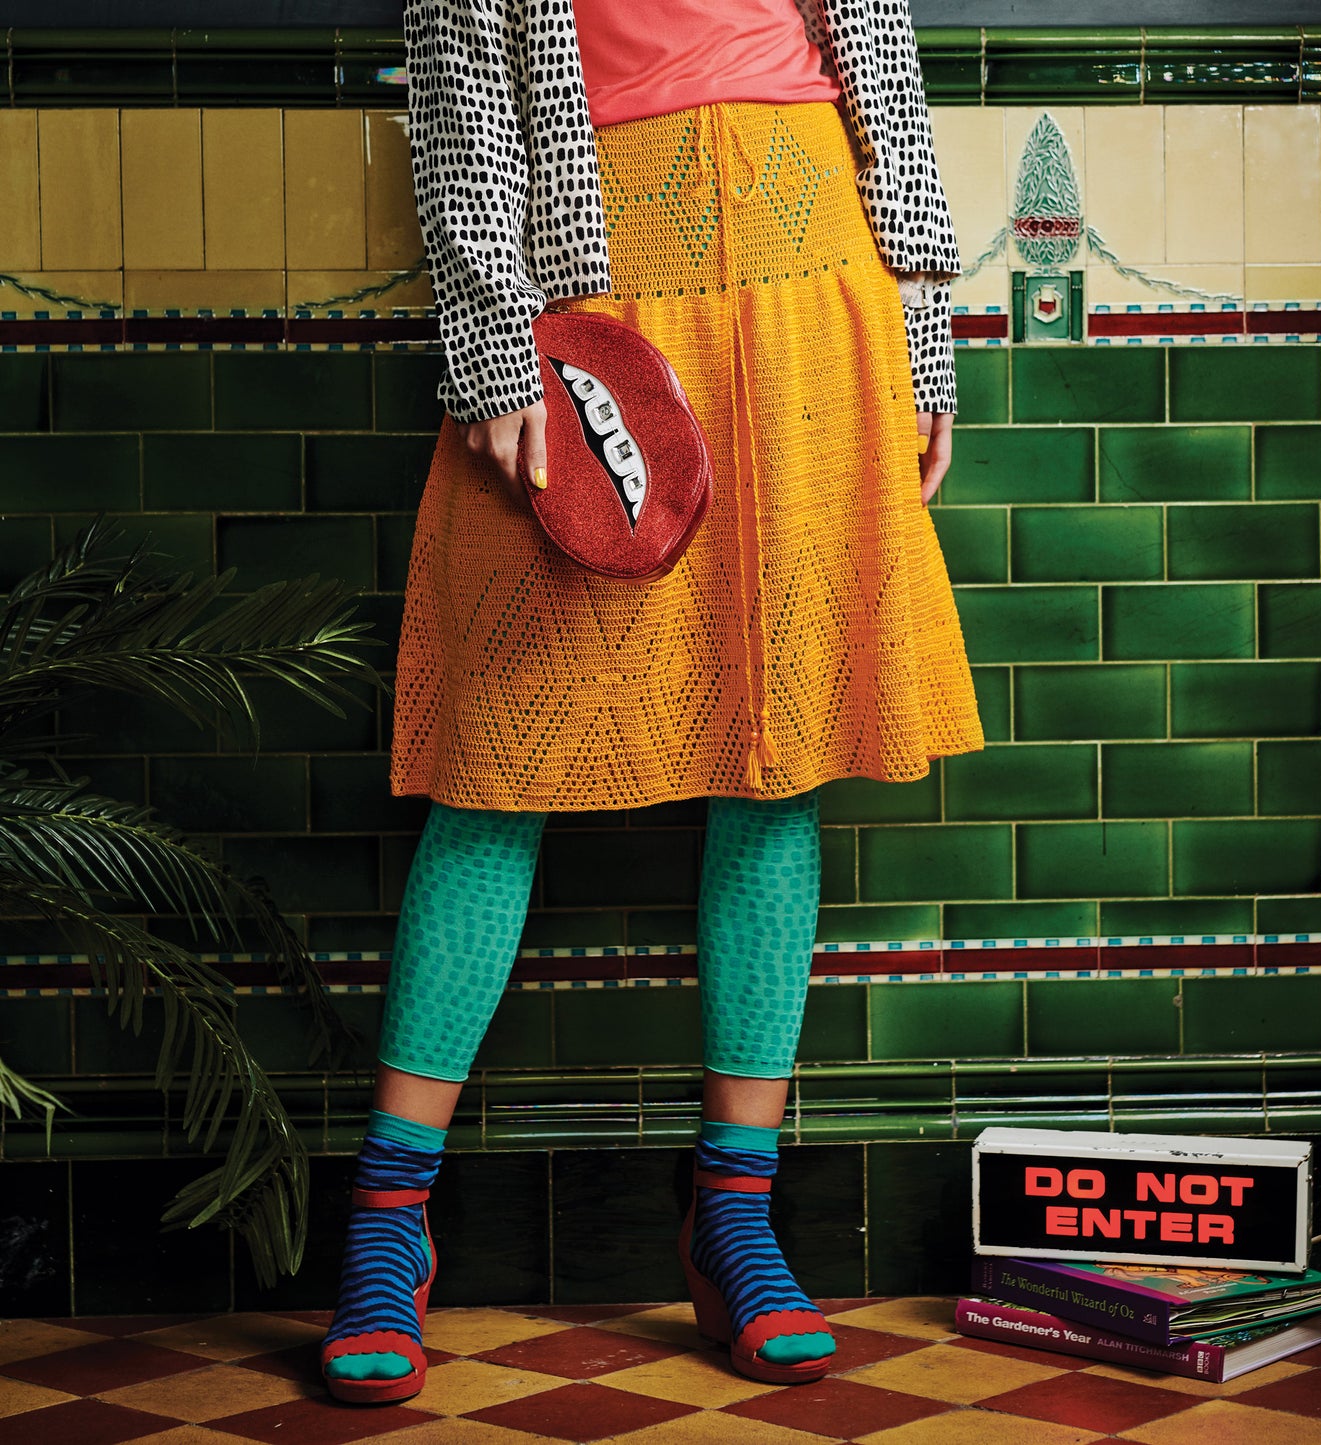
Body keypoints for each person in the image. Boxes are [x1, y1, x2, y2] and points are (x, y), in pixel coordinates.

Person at [320, 0, 983, 1404]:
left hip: (818, 295)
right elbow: (456, 94)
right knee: (496, 763)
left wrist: (921, 336)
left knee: (776, 754)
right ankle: (387, 1221)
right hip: (598, 304)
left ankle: (734, 1212)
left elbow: (885, 84)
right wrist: (498, 342)